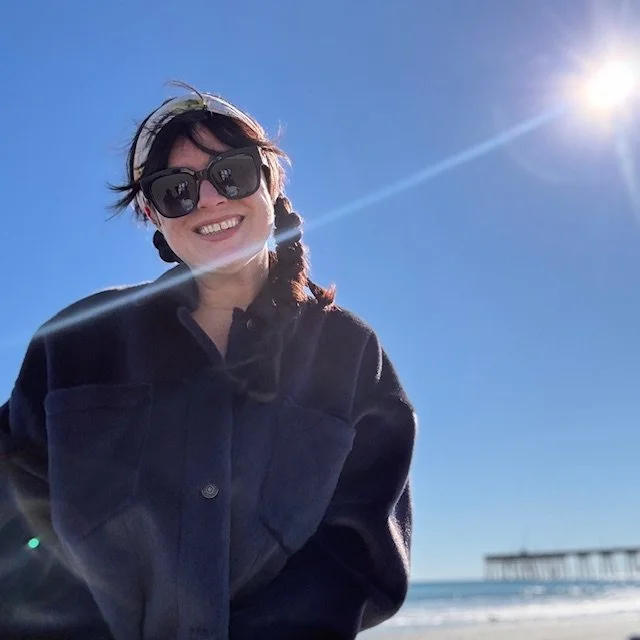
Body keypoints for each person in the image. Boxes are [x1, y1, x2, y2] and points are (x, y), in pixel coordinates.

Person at [0, 84, 416, 639]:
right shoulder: (74, 344)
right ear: (153, 213)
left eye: (232, 174)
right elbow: (16, 520)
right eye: (177, 190)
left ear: (270, 183)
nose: (211, 201)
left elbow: (359, 552)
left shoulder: (347, 354)